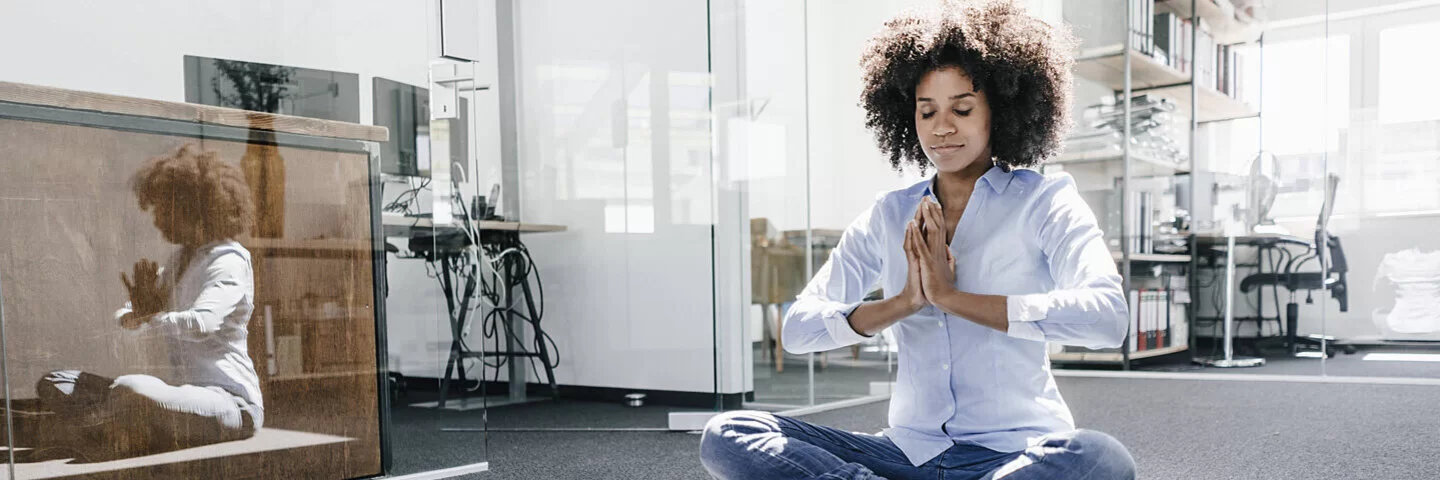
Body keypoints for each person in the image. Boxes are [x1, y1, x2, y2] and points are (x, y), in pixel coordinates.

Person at [700, 1, 1136, 479]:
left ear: (1003, 110)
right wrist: (905, 303)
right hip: (907, 452)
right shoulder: (889, 214)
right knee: (730, 433)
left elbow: (1107, 318)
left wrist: (952, 298)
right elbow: (799, 329)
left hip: (1015, 452)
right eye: (926, 111)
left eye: (962, 109)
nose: (941, 127)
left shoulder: (1045, 201)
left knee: (1098, 458)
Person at [33, 144, 264, 460]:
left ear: (194, 208)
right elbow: (140, 316)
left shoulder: (228, 261)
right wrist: (134, 312)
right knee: (56, 382)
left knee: (132, 389)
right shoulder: (182, 258)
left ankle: (121, 424)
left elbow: (203, 323)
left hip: (229, 402)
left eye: (165, 210)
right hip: (180, 395)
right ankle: (127, 424)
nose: (158, 221)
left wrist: (151, 317)